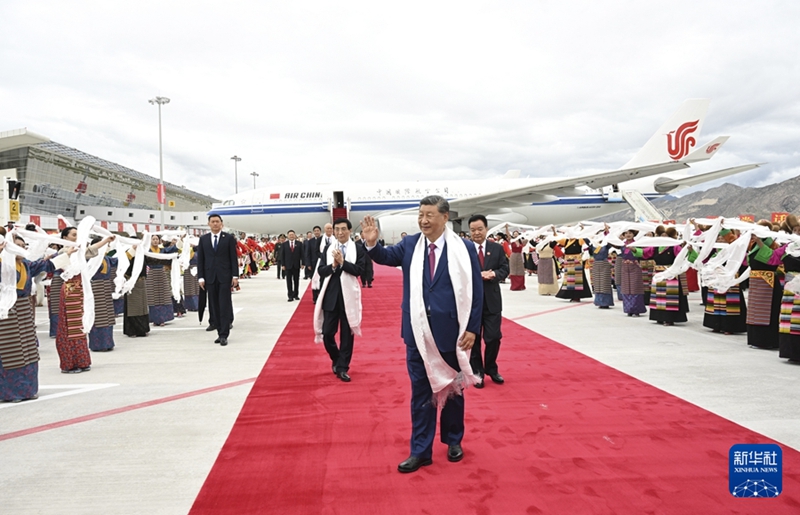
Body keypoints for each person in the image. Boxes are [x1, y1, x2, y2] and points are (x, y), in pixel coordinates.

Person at [363, 195, 482, 474]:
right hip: (416, 332)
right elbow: (385, 257)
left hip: (452, 333)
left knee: (453, 390)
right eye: (420, 214)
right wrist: (371, 243)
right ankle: (420, 450)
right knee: (421, 393)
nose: (423, 220)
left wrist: (473, 329)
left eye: (429, 215)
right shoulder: (409, 245)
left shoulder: (463, 248)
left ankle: (453, 440)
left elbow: (476, 291)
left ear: (445, 217)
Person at [0, 234, 55, 402]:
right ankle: (10, 392)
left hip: (23, 309)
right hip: (6, 311)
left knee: (28, 350)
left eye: (23, 246)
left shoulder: (26, 264)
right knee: (12, 353)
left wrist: (68, 252)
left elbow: (47, 264)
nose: (21, 248)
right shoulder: (3, 265)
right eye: (16, 245)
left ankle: (27, 389)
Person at [54, 227, 115, 373]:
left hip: (80, 290)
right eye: (74, 235)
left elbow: (92, 249)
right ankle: (69, 363)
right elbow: (58, 264)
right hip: (70, 290)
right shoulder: (63, 252)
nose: (76, 237)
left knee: (81, 326)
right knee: (70, 328)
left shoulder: (79, 250)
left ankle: (81, 360)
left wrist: (106, 240)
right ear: (65, 237)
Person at [314, 218, 365, 382]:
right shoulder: (329, 249)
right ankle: (336, 358)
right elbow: (321, 270)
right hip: (331, 297)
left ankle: (343, 367)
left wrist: (343, 263)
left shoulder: (357, 249)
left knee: (346, 335)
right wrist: (334, 266)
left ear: (350, 231)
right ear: (333, 231)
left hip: (348, 297)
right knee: (327, 333)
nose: (340, 232)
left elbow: (360, 270)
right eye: (337, 229)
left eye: (343, 229)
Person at [468, 215, 509, 388]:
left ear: (486, 229)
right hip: (471, 303)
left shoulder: (496, 248)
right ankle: (477, 371)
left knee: (493, 338)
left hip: (492, 301)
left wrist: (494, 275)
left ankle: (491, 368)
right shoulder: (465, 249)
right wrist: (476, 276)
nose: (476, 233)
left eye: (480, 229)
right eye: (473, 230)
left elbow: (505, 268)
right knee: (474, 340)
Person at [196, 214, 239, 346]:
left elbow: (233, 258)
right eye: (212, 222)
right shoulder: (203, 239)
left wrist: (235, 276)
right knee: (214, 306)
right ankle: (219, 331)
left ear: (221, 223)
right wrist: (201, 277)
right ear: (209, 224)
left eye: (217, 222)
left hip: (224, 277)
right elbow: (201, 260)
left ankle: (224, 334)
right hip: (209, 277)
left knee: (224, 305)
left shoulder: (229, 238)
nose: (215, 224)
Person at [281, 230, 304, 302]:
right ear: (287, 236)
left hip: (296, 265)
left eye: (292, 234)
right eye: (290, 235)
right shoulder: (284, 244)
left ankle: (296, 295)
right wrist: (283, 265)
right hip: (288, 265)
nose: (291, 236)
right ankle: (290, 295)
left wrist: (303, 263)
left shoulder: (299, 244)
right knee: (289, 281)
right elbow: (282, 255)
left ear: (295, 235)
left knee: (296, 280)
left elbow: (302, 254)